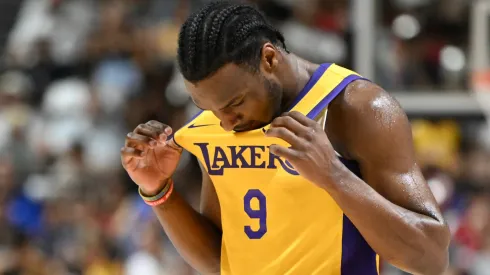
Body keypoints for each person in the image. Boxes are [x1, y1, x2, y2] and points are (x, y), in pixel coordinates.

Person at [120, 1, 450, 274]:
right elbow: (222, 261)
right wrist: (159, 191)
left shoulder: (356, 109)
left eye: (234, 103)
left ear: (269, 59)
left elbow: (431, 257)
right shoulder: (219, 123)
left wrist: (334, 175)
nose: (225, 123)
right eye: (205, 106)